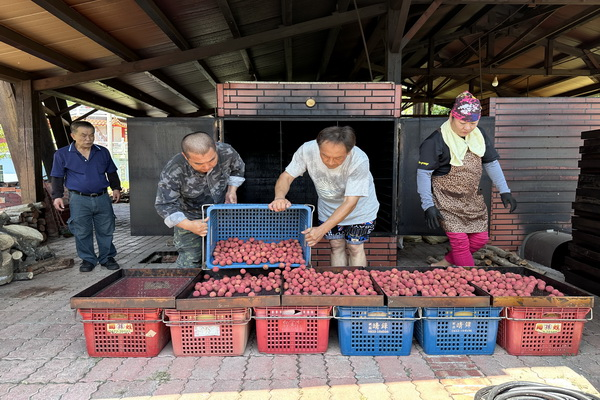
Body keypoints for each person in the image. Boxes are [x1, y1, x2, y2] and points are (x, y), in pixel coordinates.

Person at [416, 91, 518, 267]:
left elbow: (491, 163)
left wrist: (505, 190)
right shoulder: (435, 141)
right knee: (460, 243)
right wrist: (428, 205)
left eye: (473, 122)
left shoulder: (479, 135)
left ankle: (445, 263)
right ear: (452, 116)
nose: (468, 127)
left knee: (480, 238)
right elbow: (423, 174)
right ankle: (470, 284)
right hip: (446, 200)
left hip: (471, 199)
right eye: (463, 122)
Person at [269, 125, 379, 267]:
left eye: (338, 158)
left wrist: (321, 230)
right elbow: (286, 177)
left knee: (355, 248)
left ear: (349, 152)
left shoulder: (359, 160)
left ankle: (355, 285)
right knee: (336, 246)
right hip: (329, 209)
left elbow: (350, 203)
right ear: (318, 147)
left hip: (360, 210)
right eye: (325, 156)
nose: (330, 162)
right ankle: (339, 284)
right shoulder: (307, 150)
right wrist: (279, 197)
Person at [155, 132, 245, 268]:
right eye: (199, 164)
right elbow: (164, 205)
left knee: (226, 254)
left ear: (215, 148)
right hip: (189, 216)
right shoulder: (174, 169)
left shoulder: (226, 151)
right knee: (190, 260)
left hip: (220, 213)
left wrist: (231, 191)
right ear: (186, 157)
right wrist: (188, 225)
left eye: (212, 160)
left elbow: (237, 169)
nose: (207, 167)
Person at [51, 121, 122, 272]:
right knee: (81, 230)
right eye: (83, 135)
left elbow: (111, 172)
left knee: (106, 229)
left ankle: (107, 257)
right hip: (78, 198)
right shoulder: (62, 154)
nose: (88, 139)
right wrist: (57, 196)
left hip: (102, 197)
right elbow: (57, 177)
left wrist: (116, 188)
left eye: (91, 135)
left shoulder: (102, 152)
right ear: (73, 135)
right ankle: (88, 259)